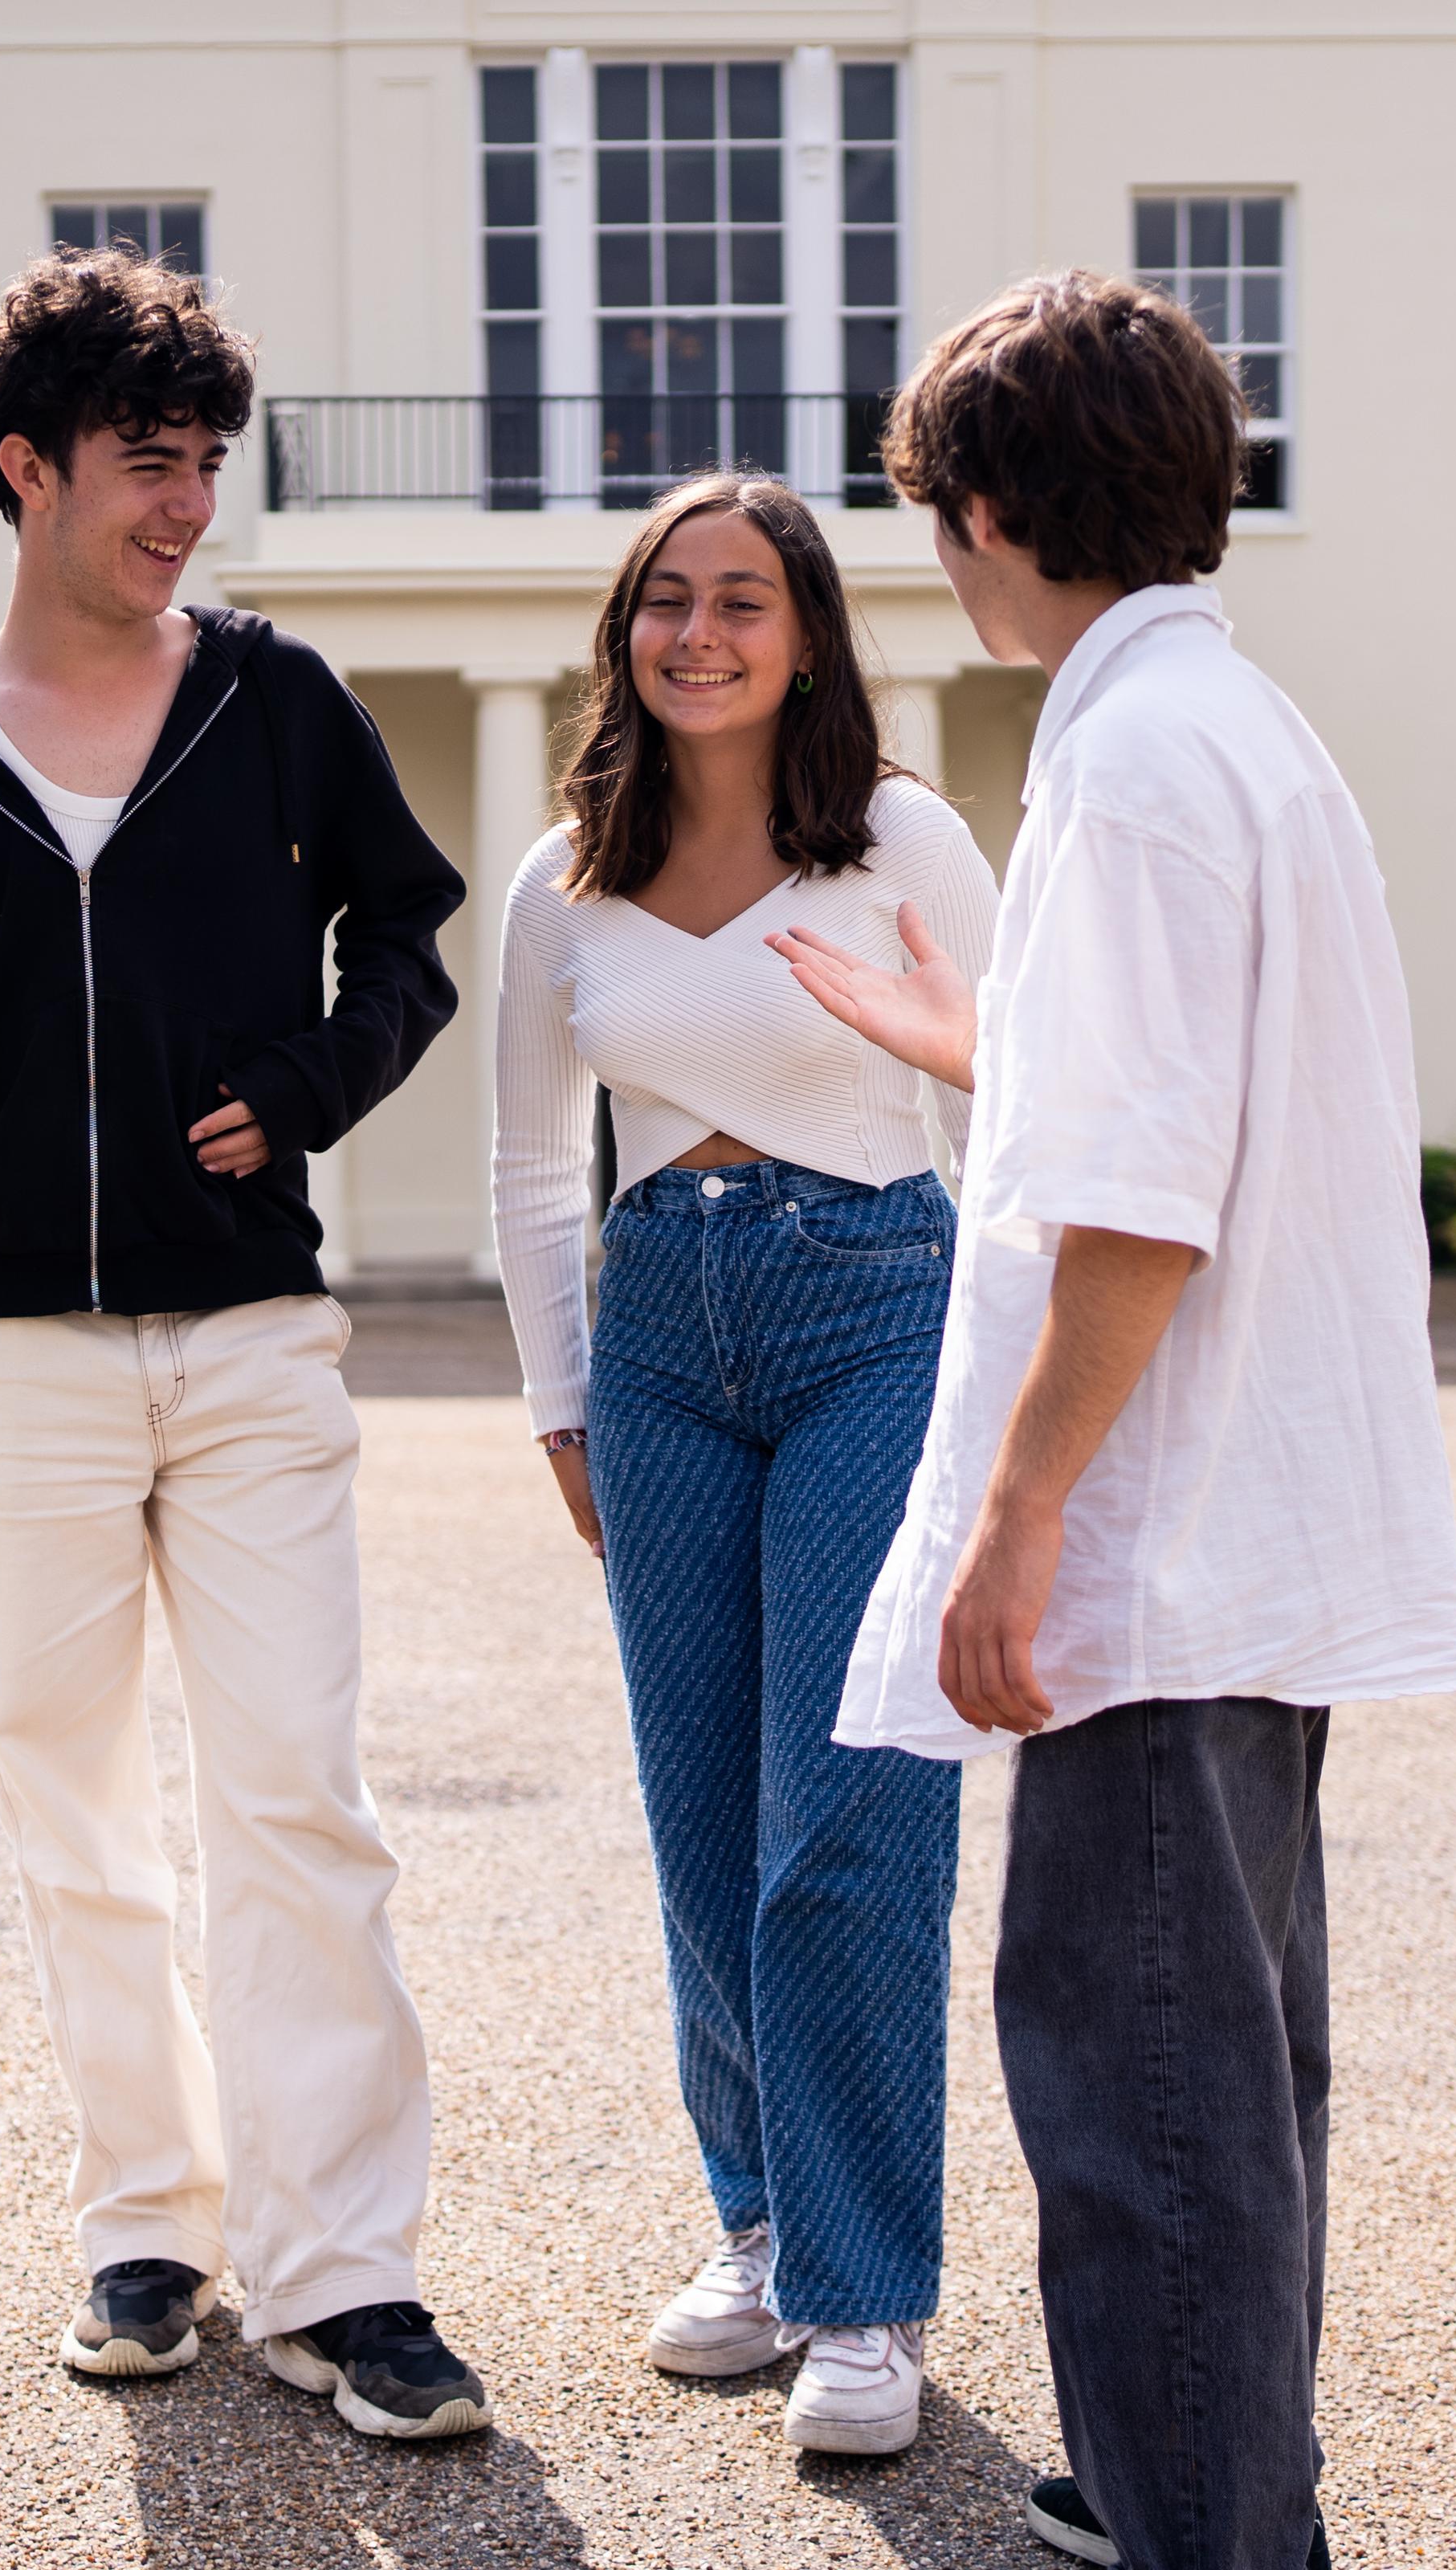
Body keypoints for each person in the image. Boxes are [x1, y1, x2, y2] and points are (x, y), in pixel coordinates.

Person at [777, 275, 1456, 2566]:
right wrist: (970, 1037)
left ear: (990, 505)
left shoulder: (1136, 763)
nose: (936, 567)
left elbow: (1144, 1205)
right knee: (1237, 2084)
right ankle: (1211, 2497)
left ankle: (1208, 2533)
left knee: (1141, 2099)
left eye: (933, 521)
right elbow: (1173, 1109)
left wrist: (1015, 1526)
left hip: (1165, 1556)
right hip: (1248, 1550)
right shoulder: (1231, 728)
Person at [0, 250, 487, 2440]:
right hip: (5, 1350)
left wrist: (307, 1082)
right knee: (74, 1813)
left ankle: (346, 2277)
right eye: (145, 464)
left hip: (255, 1340)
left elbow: (409, 935)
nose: (188, 503)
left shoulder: (278, 701)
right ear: (28, 469)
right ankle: (149, 2229)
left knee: (301, 1796)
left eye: (208, 461)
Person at [491, 474, 999, 2457]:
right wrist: (560, 1399)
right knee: (703, 1808)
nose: (699, 635)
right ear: (627, 631)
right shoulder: (566, 876)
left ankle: (868, 2295)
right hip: (659, 1337)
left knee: (849, 1804)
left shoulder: (902, 837)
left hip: (874, 1305)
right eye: (666, 602)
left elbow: (1033, 1077)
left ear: (807, 636)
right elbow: (538, 1166)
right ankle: (769, 2221)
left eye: (745, 602)